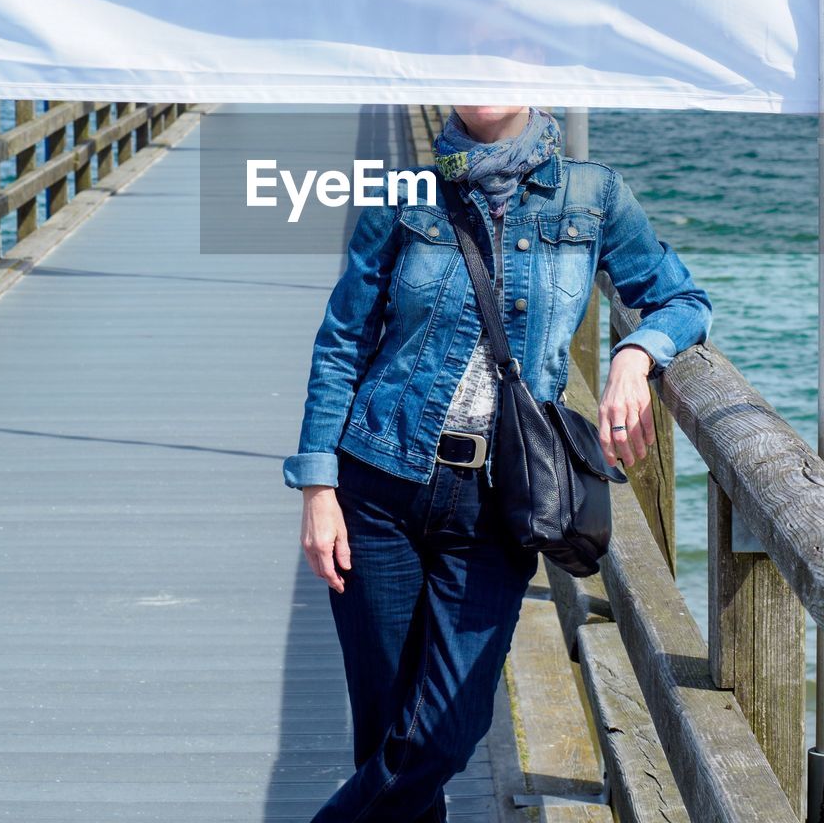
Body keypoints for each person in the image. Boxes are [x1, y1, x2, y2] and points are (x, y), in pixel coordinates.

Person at [282, 105, 713, 823]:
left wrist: (637, 355)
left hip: (497, 502)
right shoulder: (404, 194)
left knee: (444, 734)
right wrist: (318, 485)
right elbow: (343, 342)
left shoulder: (593, 195)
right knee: (388, 736)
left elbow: (680, 298)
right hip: (378, 484)